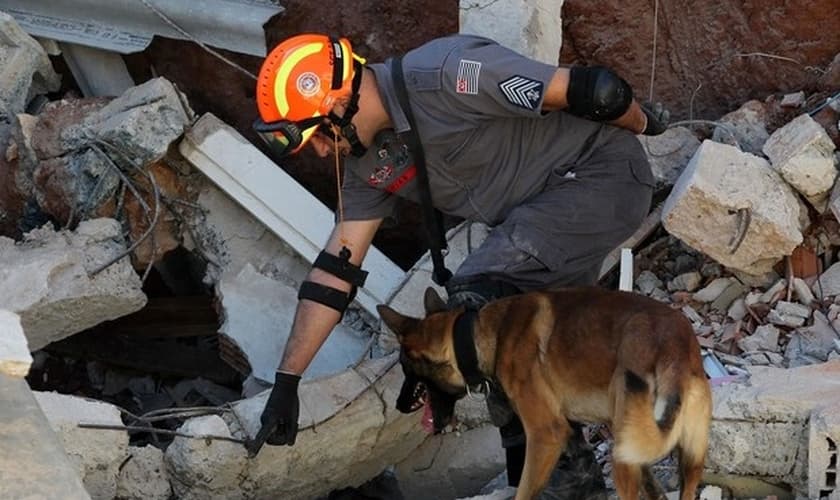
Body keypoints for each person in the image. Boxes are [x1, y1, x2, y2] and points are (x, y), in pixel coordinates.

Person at [246, 33, 669, 499]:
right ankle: (559, 487)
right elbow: (334, 272)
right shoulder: (368, 166)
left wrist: (646, 122)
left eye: (320, 136)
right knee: (521, 355)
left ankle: (559, 483)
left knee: (477, 307)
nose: (324, 152)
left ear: (341, 101)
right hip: (539, 224)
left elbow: (596, 91)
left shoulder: (447, 74)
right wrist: (287, 384)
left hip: (600, 178)